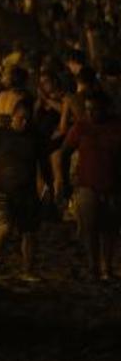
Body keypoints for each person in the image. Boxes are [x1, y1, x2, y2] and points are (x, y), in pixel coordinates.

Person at [52, 90, 121, 281]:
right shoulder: (81, 127)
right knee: (89, 231)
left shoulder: (117, 126)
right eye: (88, 109)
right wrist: (64, 181)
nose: (91, 113)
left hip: (113, 187)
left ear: (106, 108)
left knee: (110, 229)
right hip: (87, 186)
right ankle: (94, 268)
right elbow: (64, 153)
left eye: (95, 109)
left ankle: (107, 267)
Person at [0, 99, 47, 279]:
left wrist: (45, 185)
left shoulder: (35, 137)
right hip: (1, 188)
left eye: (27, 119)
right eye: (21, 118)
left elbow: (41, 163)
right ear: (13, 116)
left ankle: (27, 269)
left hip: (27, 190)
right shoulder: (0, 135)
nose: (24, 122)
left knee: (29, 232)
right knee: (4, 227)